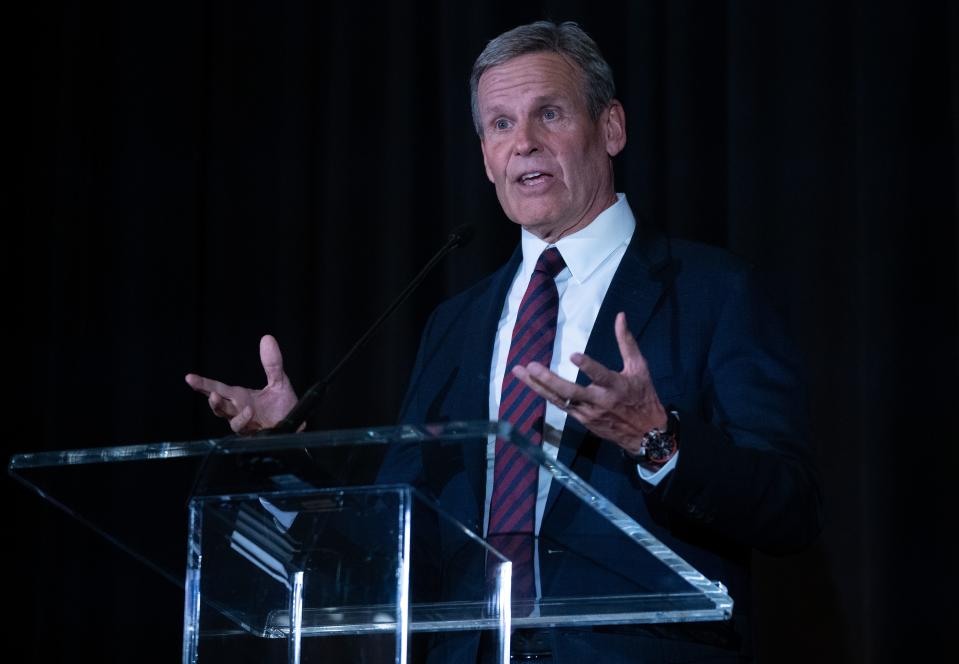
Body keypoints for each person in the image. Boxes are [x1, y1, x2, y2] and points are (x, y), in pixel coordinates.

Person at [187, 20, 822, 663]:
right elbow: (401, 542)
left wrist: (656, 439)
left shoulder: (715, 291)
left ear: (612, 128)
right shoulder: (454, 323)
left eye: (549, 113)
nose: (524, 143)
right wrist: (290, 458)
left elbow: (790, 507)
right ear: (486, 158)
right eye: (500, 125)